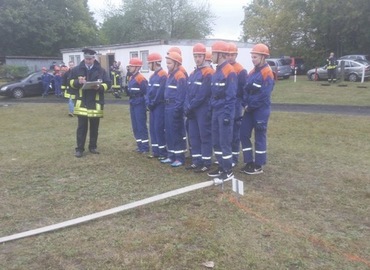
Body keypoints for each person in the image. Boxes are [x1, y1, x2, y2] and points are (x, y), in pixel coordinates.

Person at [69, 48, 111, 158]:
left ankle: (93, 147)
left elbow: (108, 84)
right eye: (87, 59)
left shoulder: (101, 70)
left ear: (94, 58)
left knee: (94, 127)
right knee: (81, 127)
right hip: (82, 103)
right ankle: (79, 149)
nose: (88, 61)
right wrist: (78, 82)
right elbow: (70, 83)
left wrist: (100, 87)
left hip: (95, 103)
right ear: (84, 58)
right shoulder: (77, 70)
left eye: (90, 59)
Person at [240, 43, 274, 174]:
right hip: (249, 110)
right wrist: (245, 104)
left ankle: (258, 165)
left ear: (263, 57)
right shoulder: (252, 72)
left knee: (259, 137)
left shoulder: (267, 73)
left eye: (255, 57)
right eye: (252, 57)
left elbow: (264, 95)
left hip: (260, 110)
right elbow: (245, 90)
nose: (252, 59)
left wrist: (250, 105)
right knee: (243, 134)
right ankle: (249, 162)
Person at [207, 41, 237, 181]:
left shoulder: (229, 71)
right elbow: (213, 93)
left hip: (224, 111)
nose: (211, 56)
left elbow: (231, 96)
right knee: (216, 141)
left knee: (225, 142)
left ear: (220, 54)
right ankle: (221, 165)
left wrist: (227, 115)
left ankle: (228, 170)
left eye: (213, 53)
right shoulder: (217, 70)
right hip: (215, 110)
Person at [184, 43, 214, 173]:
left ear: (204, 56)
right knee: (193, 136)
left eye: (199, 56)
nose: (197, 59)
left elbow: (203, 94)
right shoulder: (193, 73)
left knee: (204, 136)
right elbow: (187, 91)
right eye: (195, 56)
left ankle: (206, 162)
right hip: (192, 109)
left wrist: (190, 106)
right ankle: (197, 161)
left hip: (203, 109)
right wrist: (187, 105)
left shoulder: (209, 73)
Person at [160, 51, 187, 167]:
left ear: (176, 63)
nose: (167, 65)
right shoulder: (170, 75)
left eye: (169, 63)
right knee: (169, 132)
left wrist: (177, 110)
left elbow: (181, 96)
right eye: (167, 63)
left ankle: (179, 157)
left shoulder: (180, 76)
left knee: (176, 133)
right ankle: (171, 155)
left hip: (174, 108)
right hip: (167, 107)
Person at [227, 42, 248, 167]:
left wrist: (243, 103)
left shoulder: (240, 70)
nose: (230, 57)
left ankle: (234, 158)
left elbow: (244, 89)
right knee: (225, 131)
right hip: (226, 103)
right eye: (228, 54)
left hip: (236, 103)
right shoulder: (224, 68)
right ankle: (226, 155)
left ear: (236, 55)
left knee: (234, 131)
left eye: (232, 54)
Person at [146, 52, 167, 159]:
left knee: (159, 128)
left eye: (149, 63)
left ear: (155, 63)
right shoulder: (152, 76)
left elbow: (160, 93)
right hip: (152, 106)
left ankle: (163, 152)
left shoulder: (163, 75)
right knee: (153, 128)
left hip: (159, 106)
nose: (148, 65)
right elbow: (149, 91)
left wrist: (152, 103)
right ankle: (156, 151)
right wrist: (148, 102)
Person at [127, 58, 149, 153]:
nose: (129, 68)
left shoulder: (141, 79)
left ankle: (145, 147)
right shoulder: (131, 77)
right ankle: (139, 145)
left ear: (137, 67)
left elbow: (146, 92)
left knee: (141, 125)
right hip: (133, 102)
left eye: (131, 66)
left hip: (139, 103)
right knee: (135, 125)